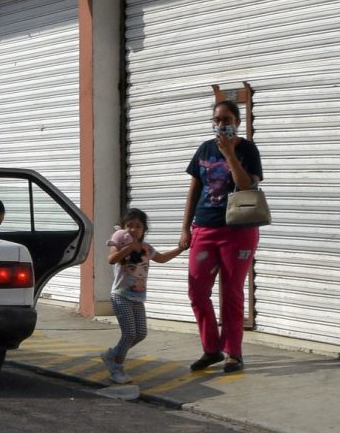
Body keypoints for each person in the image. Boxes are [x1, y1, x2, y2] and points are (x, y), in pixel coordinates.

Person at [179, 100, 263, 374]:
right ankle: (211, 348)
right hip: (204, 228)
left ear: (237, 122)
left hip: (238, 231)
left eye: (227, 119)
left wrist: (229, 155)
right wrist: (185, 227)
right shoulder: (204, 149)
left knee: (231, 292)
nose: (221, 124)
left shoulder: (248, 150)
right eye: (217, 119)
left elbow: (246, 185)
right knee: (197, 291)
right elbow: (194, 189)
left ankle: (233, 353)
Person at [101, 208, 185, 384]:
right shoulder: (120, 244)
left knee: (140, 333)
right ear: (123, 228)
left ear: (144, 230)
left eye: (138, 226)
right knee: (129, 333)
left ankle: (112, 354)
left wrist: (180, 248)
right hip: (120, 295)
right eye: (129, 225)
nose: (133, 229)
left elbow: (161, 258)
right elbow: (111, 259)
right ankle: (116, 367)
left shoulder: (147, 248)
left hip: (138, 298)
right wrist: (129, 248)